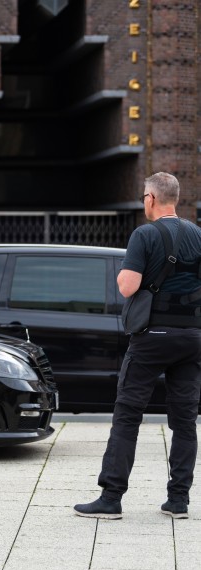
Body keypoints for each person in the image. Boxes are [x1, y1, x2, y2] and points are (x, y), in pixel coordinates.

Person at [75, 172, 201, 520]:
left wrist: (123, 276)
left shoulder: (145, 234)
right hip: (192, 336)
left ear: (150, 199)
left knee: (128, 415)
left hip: (152, 337)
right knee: (185, 420)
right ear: (175, 198)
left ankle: (111, 498)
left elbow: (128, 287)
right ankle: (178, 501)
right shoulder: (198, 234)